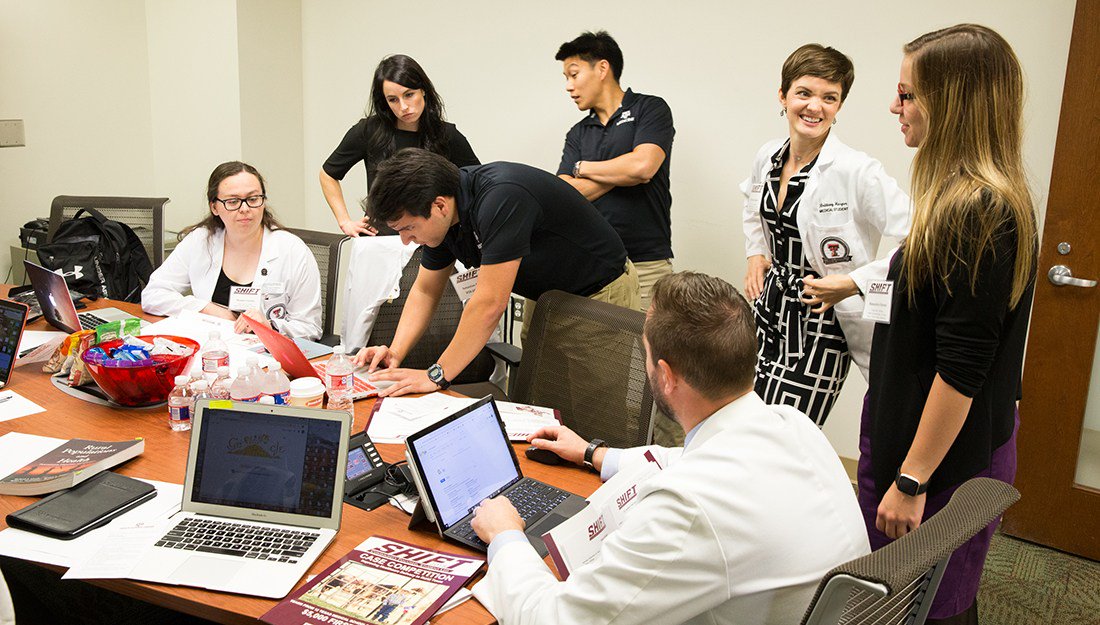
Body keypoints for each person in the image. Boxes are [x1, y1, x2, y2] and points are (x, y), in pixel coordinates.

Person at [470, 272, 869, 625]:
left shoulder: (689, 509)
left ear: (665, 375)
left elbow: (554, 619)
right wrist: (593, 454)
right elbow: (684, 458)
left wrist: (506, 536)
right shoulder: (791, 424)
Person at [861, 25, 1037, 625]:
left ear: (953, 103)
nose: (894, 106)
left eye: (907, 95)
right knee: (915, 598)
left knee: (928, 606)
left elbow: (961, 369)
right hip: (924, 442)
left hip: (939, 462)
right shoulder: (961, 197)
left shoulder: (978, 211)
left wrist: (912, 481)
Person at [354, 148, 639, 396]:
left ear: (439, 205)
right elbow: (426, 290)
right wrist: (395, 353)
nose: (405, 240)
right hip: (546, 297)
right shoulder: (444, 220)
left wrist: (436, 375)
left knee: (598, 408)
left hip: (597, 293)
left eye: (408, 228)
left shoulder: (501, 197)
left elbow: (489, 304)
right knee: (543, 397)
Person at [742, 44, 911, 426]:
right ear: (783, 96)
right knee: (744, 422)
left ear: (839, 106)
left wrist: (853, 282)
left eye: (829, 98)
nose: (814, 107)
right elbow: (752, 205)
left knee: (785, 434)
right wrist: (756, 253)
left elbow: (917, 240)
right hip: (767, 312)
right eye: (804, 93)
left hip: (822, 325)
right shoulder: (768, 157)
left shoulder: (857, 170)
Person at [555, 31, 674, 312]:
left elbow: (644, 167)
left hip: (647, 263)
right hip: (597, 266)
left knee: (651, 353)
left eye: (574, 74)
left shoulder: (650, 109)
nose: (569, 87)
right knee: (605, 355)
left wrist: (582, 167)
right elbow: (566, 193)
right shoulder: (578, 133)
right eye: (566, 79)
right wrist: (624, 171)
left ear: (602, 68)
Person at [142, 161, 323, 340]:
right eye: (233, 201)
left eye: (253, 199)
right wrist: (206, 308)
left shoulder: (292, 250)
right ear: (214, 207)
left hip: (266, 357)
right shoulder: (200, 240)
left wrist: (271, 326)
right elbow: (153, 295)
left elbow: (310, 327)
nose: (244, 209)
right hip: (213, 348)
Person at [320, 54, 480, 237]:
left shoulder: (447, 135)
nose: (403, 106)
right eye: (393, 99)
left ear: (424, 91)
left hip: (435, 244)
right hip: (381, 242)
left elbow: (476, 185)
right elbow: (328, 174)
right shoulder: (368, 131)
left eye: (409, 95)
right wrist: (345, 222)